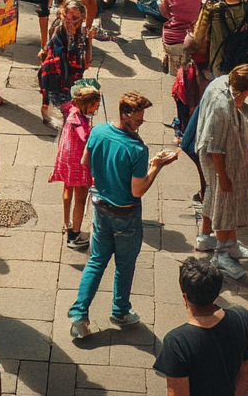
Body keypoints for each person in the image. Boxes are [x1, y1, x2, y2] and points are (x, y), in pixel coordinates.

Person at [68, 91, 175, 339]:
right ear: (125, 115)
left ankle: (78, 316)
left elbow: (86, 161)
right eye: (138, 119)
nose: (140, 123)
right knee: (124, 266)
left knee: (96, 261)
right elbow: (138, 190)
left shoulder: (97, 132)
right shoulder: (137, 149)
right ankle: (120, 311)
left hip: (100, 207)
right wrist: (156, 166)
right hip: (125, 214)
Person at [153, 256, 248, 396]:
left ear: (185, 297)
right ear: (216, 293)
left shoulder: (177, 342)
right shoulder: (241, 317)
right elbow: (247, 372)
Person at [195, 65, 248, 279]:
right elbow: (216, 149)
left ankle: (218, 241)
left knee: (218, 199)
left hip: (223, 158)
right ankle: (222, 253)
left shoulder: (222, 82)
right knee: (224, 204)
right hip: (220, 163)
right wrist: (223, 177)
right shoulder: (223, 108)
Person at [51, 83, 98, 249]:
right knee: (80, 198)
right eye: (94, 106)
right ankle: (74, 235)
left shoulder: (72, 110)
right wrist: (95, 133)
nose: (95, 109)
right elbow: (85, 137)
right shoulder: (80, 123)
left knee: (67, 189)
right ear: (87, 105)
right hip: (79, 164)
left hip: (68, 161)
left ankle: (66, 222)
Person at [39, 0, 91, 124]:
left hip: (74, 74)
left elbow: (88, 58)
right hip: (57, 74)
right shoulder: (59, 31)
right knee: (59, 102)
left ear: (82, 18)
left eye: (74, 18)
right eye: (67, 17)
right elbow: (58, 54)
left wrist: (89, 41)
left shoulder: (83, 33)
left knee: (68, 105)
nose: (70, 22)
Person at [160, 0, 204, 77]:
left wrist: (171, 17)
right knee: (187, 77)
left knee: (176, 76)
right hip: (191, 40)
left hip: (170, 38)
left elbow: (163, 7)